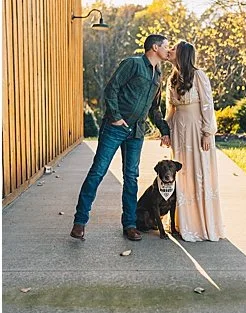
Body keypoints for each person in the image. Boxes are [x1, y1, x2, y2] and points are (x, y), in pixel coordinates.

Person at [71, 33, 172, 242]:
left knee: (131, 177)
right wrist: (116, 117)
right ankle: (80, 222)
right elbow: (112, 89)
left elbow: (154, 108)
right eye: (166, 46)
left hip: (136, 132)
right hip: (114, 128)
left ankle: (130, 225)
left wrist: (164, 130)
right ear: (154, 47)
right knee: (98, 172)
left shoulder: (158, 75)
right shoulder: (133, 64)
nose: (168, 50)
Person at [165, 40, 224, 242]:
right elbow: (170, 109)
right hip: (179, 132)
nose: (170, 50)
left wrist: (208, 132)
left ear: (183, 54)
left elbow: (208, 104)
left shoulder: (199, 75)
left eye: (174, 49)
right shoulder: (171, 79)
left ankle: (203, 224)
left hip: (197, 130)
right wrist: (166, 132)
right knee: (183, 175)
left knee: (199, 173)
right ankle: (184, 223)